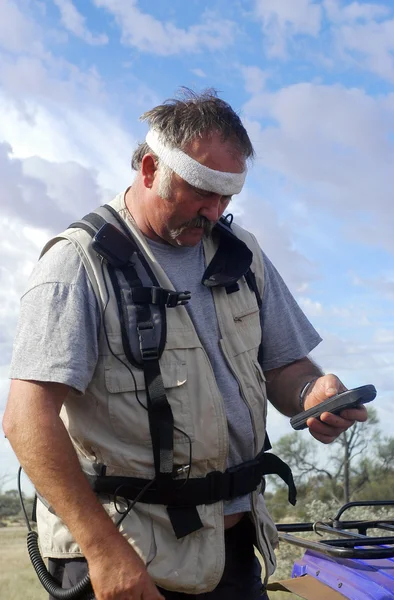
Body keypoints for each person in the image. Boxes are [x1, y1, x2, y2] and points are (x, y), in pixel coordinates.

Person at [3, 89, 367, 600]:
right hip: (127, 556)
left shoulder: (242, 254)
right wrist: (105, 552)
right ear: (151, 168)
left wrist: (313, 392)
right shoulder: (79, 263)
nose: (214, 212)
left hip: (232, 549)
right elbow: (26, 420)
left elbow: (286, 366)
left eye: (228, 197)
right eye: (201, 191)